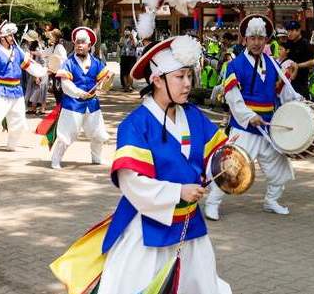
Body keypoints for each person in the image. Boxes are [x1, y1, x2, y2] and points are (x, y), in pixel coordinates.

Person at [51, 34, 231, 294]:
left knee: (202, 284)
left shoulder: (193, 115)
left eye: (189, 76)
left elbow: (214, 155)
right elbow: (131, 181)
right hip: (147, 224)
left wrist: (228, 158)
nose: (187, 84)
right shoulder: (135, 124)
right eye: (179, 77)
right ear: (157, 80)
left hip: (189, 224)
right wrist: (177, 192)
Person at [205, 15, 303, 220]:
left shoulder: (273, 64)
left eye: (261, 38)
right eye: (253, 38)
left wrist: (300, 105)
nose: (257, 42)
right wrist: (249, 116)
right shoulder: (235, 65)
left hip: (268, 126)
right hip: (245, 127)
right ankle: (212, 203)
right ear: (245, 40)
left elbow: (284, 91)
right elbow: (232, 97)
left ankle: (271, 201)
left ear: (266, 40)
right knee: (230, 166)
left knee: (279, 165)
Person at [0, 22, 47, 155]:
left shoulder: (17, 51)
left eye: (13, 35)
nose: (13, 38)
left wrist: (42, 71)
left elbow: (29, 65)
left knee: (18, 119)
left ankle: (12, 144)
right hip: (1, 90)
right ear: (2, 38)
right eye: (10, 36)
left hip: (17, 91)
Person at [50, 27, 112, 169]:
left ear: (89, 46)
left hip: (92, 104)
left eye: (83, 43)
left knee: (98, 133)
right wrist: (78, 92)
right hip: (72, 104)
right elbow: (65, 85)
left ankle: (96, 158)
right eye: (77, 43)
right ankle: (56, 159)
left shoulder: (96, 62)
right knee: (66, 134)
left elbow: (104, 80)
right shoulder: (69, 63)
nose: (79, 46)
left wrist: (104, 85)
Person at [280, 20, 314, 100]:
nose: (289, 33)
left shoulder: (305, 44)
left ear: (299, 30)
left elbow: (313, 61)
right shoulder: (289, 43)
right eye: (288, 31)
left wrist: (297, 66)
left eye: (292, 30)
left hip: (301, 82)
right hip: (288, 81)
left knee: (302, 106)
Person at [119, 26, 139, 93]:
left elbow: (135, 45)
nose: (126, 31)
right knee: (124, 72)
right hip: (124, 56)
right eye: (125, 30)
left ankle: (129, 85)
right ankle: (126, 86)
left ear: (131, 32)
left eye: (127, 30)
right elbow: (120, 45)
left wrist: (132, 38)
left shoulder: (134, 38)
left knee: (130, 72)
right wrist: (122, 40)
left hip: (132, 57)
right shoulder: (122, 38)